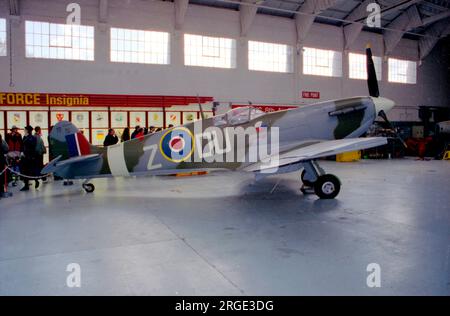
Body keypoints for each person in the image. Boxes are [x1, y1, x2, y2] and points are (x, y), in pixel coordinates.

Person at [20, 125, 38, 191]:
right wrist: (21, 152)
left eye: (25, 129)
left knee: (32, 170)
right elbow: (22, 145)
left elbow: (32, 147)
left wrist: (26, 152)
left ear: (27, 130)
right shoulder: (24, 137)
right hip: (24, 157)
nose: (24, 131)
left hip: (30, 157)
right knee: (25, 171)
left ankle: (36, 181)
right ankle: (26, 185)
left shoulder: (33, 138)